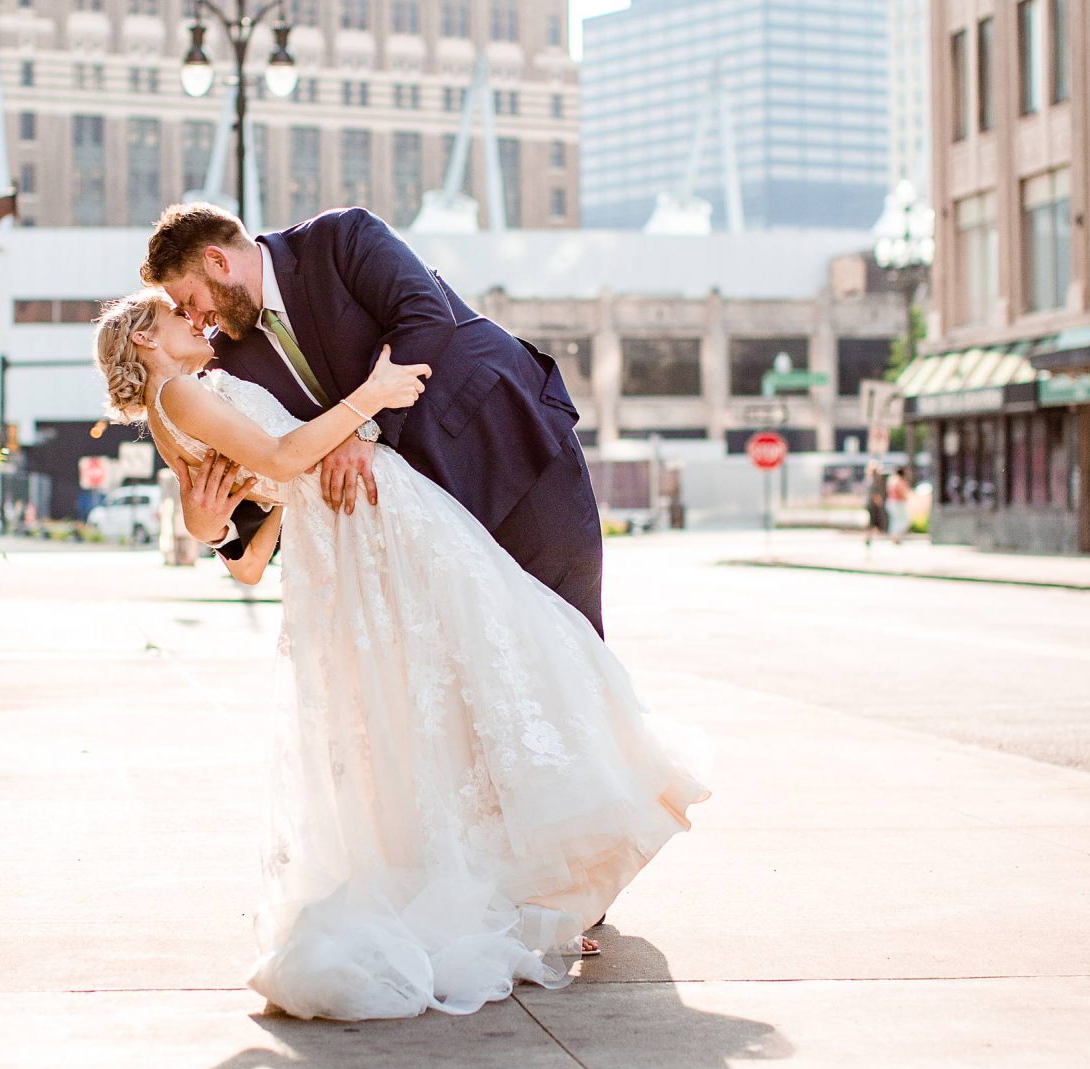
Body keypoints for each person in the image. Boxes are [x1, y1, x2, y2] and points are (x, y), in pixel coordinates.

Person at [94, 292, 709, 1024]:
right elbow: (287, 454)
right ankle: (561, 844)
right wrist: (373, 397)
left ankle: (508, 867)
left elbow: (249, 550)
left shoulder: (176, 410)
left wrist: (250, 517)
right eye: (173, 317)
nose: (194, 322)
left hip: (342, 538)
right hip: (377, 520)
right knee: (503, 661)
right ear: (144, 339)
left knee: (442, 696)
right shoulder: (183, 393)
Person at [139, 202, 606, 637]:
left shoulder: (340, 238)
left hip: (511, 447)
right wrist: (214, 531)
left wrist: (366, 426)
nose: (196, 320)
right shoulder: (225, 364)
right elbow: (265, 474)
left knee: (567, 640)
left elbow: (425, 316)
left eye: (192, 300)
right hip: (421, 525)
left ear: (219, 262)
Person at [886, 464, 912, 545]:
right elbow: (903, 492)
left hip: (891, 502)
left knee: (895, 521)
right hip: (898, 503)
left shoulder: (891, 479)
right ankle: (896, 537)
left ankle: (894, 538)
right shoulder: (899, 481)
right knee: (903, 521)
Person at [865, 465, 888, 549]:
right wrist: (878, 501)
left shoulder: (869, 479)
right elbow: (874, 493)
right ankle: (868, 537)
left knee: (872, 522)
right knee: (873, 521)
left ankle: (869, 537)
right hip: (873, 505)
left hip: (870, 504)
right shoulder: (874, 480)